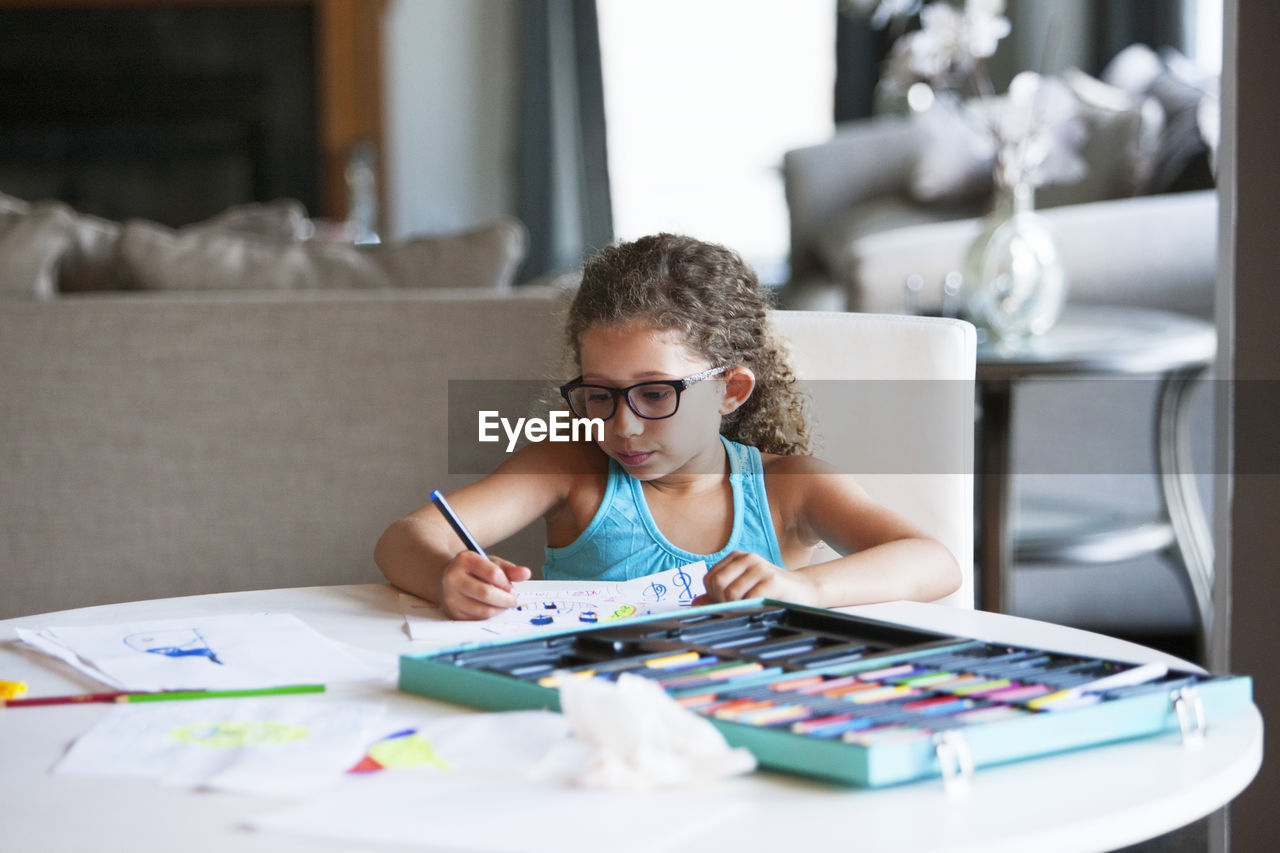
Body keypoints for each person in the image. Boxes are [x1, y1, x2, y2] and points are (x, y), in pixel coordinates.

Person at [375, 233, 960, 619]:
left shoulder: (789, 488)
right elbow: (404, 539)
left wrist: (808, 588)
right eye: (599, 395)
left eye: (656, 394)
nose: (623, 426)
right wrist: (447, 575)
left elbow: (936, 563)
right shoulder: (569, 464)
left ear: (730, 389)